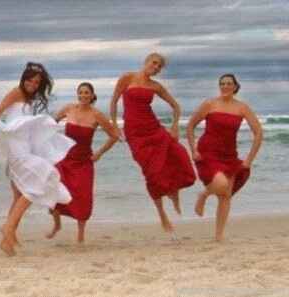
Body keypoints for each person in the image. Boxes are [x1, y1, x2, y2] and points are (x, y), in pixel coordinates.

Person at [0, 62, 74, 256]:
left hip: (25, 146)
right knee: (38, 184)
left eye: (37, 82)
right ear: (23, 80)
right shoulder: (15, 92)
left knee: (18, 195)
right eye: (29, 80)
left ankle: (9, 236)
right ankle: (8, 228)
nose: (32, 84)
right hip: (16, 149)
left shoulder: (30, 100)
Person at [109, 53, 196, 238]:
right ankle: (162, 214)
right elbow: (114, 101)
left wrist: (174, 128)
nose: (155, 68)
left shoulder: (156, 86)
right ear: (146, 61)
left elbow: (176, 107)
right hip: (135, 134)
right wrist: (115, 127)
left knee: (179, 154)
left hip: (154, 129)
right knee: (152, 173)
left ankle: (174, 191)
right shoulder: (127, 78)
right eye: (154, 63)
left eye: (159, 67)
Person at [187, 73, 263, 242]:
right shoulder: (209, 104)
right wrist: (193, 149)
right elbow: (191, 126)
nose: (225, 86)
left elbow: (258, 133)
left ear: (235, 87)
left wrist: (249, 159)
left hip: (229, 154)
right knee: (221, 184)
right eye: (222, 83)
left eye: (229, 83)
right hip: (208, 152)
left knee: (225, 195)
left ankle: (219, 236)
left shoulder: (242, 108)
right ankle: (204, 195)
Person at [46, 82, 118, 243]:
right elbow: (49, 125)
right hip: (65, 158)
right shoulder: (68, 109)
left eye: (87, 93)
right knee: (54, 190)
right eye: (81, 92)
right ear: (77, 94)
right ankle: (57, 225)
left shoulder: (97, 115)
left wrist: (99, 153)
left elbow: (114, 136)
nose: (84, 95)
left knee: (82, 197)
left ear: (92, 96)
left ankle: (80, 236)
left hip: (84, 161)